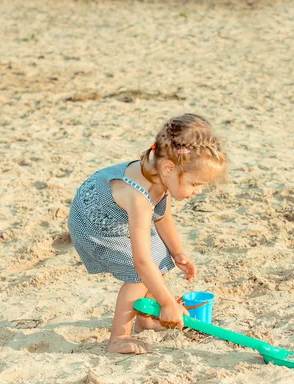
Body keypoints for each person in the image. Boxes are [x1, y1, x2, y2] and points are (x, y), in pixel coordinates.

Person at [67, 114, 228, 354]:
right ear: (168, 167)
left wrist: (177, 253)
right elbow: (141, 262)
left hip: (114, 216)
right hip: (94, 226)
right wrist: (167, 302)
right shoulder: (139, 197)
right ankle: (119, 338)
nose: (199, 191)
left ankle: (145, 319)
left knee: (160, 255)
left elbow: (163, 217)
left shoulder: (161, 177)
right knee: (139, 273)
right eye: (195, 184)